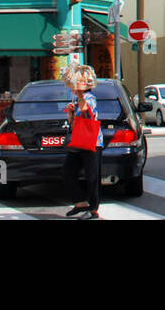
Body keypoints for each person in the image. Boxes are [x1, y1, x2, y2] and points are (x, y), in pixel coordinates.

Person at [61, 64, 102, 220]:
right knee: (68, 172)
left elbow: (89, 119)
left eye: (72, 85)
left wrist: (83, 109)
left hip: (92, 142)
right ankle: (80, 203)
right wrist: (71, 113)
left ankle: (93, 210)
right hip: (79, 142)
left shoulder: (89, 99)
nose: (71, 88)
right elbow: (74, 125)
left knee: (92, 177)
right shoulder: (78, 100)